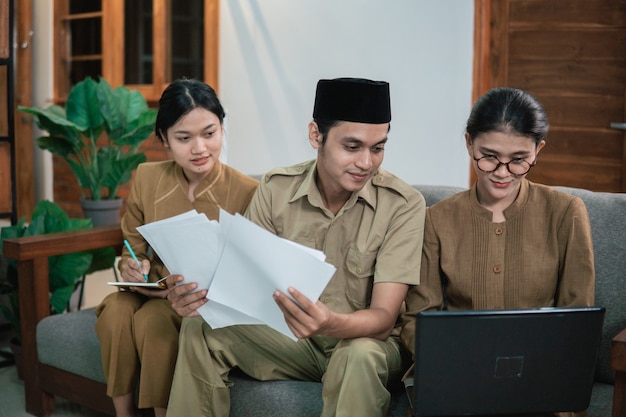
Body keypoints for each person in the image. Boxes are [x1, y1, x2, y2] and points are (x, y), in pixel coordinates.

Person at [163, 77, 426, 417]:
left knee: (357, 355)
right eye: (352, 147)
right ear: (316, 135)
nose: (366, 162)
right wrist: (197, 297)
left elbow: (382, 319)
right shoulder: (276, 188)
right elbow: (242, 282)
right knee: (201, 326)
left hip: (366, 346)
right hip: (295, 342)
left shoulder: (404, 205)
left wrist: (329, 322)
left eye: (377, 148)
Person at [400, 87, 595, 417]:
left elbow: (576, 323)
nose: (502, 172)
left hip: (540, 381)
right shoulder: (437, 219)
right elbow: (419, 321)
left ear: (538, 151)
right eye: (488, 156)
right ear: (468, 144)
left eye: (519, 160)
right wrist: (466, 366)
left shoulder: (566, 213)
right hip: (457, 377)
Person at [95, 78, 259, 417]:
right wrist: (131, 264)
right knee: (114, 313)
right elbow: (133, 245)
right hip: (148, 287)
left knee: (154, 324)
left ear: (222, 128)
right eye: (184, 138)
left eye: (209, 134)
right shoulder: (147, 177)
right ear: (164, 140)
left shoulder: (246, 191)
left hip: (193, 299)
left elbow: (247, 269)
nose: (199, 148)